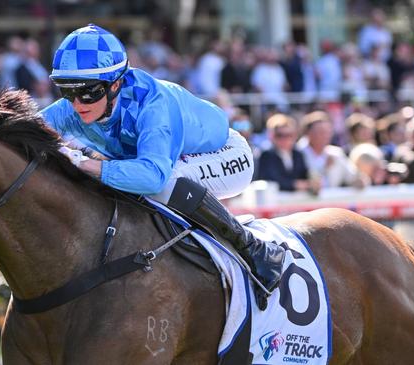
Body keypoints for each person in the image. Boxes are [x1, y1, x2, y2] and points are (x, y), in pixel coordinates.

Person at [40, 24, 284, 309]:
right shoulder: (74, 106)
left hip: (226, 155)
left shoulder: (153, 104)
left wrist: (85, 165)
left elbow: (153, 178)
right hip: (172, 158)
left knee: (165, 182)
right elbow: (25, 127)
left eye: (89, 92)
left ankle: (255, 249)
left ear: (115, 83)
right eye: (67, 91)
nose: (77, 104)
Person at [256, 113, 313, 193]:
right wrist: (295, 185)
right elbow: (271, 180)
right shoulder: (266, 155)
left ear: (295, 135)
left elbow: (305, 176)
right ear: (272, 136)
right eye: (280, 135)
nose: (285, 139)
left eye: (289, 135)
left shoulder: (298, 154)